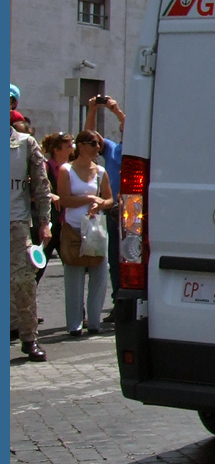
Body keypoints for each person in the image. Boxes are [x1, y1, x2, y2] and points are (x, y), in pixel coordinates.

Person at [57, 130, 113, 336]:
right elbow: (64, 200)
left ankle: (95, 321)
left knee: (99, 276)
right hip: (73, 227)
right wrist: (89, 199)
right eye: (92, 143)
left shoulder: (100, 171)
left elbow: (109, 199)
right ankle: (74, 324)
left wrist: (100, 203)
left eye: (98, 144)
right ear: (81, 146)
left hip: (95, 228)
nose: (97, 147)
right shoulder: (66, 170)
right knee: (74, 277)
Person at [10, 123, 52, 361]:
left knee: (24, 282)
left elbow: (41, 184)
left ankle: (29, 338)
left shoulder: (25, 143)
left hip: (15, 222)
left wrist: (45, 222)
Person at [86, 96, 124, 318]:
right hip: (113, 209)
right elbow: (88, 138)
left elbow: (132, 126)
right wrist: (92, 109)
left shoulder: (139, 147)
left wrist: (117, 111)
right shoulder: (111, 149)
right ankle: (118, 299)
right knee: (114, 257)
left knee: (129, 256)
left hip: (135, 209)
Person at [36, 132, 75, 282]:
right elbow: (33, 190)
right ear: (57, 150)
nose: (73, 148)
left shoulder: (72, 169)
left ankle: (78, 305)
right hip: (50, 224)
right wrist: (50, 195)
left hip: (66, 225)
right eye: (69, 146)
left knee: (72, 267)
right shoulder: (45, 168)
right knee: (38, 267)